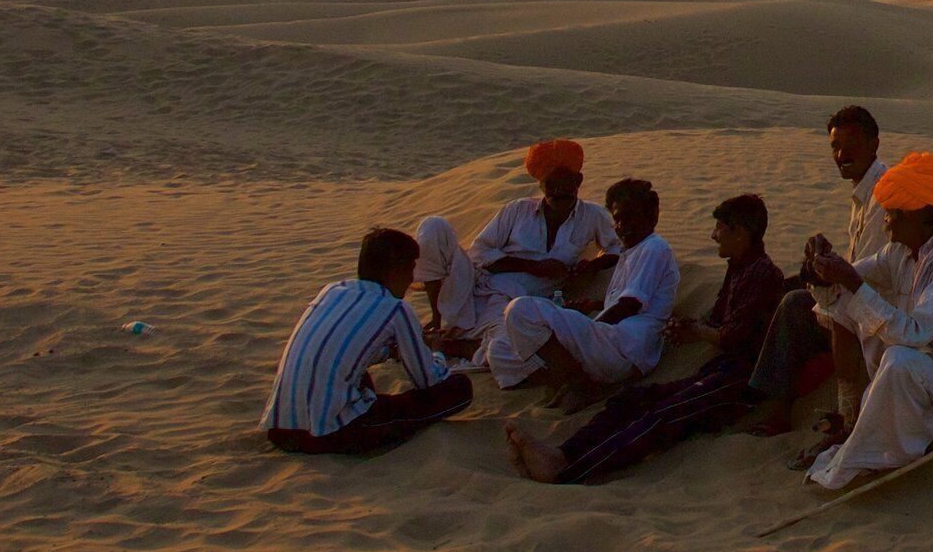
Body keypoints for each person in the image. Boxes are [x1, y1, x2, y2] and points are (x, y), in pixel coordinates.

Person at [510, 191, 804, 484]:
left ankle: (567, 470)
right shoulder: (740, 269)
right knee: (633, 400)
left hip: (739, 380)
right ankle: (564, 452)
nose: (714, 236)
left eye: (720, 229)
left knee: (662, 416)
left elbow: (733, 338)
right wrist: (689, 327)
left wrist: (697, 331)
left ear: (739, 233)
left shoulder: (762, 273)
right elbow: (718, 321)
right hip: (718, 370)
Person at [798, 151, 933, 490]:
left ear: (918, 216)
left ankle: (871, 457)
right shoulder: (899, 254)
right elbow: (843, 284)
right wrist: (820, 264)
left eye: (892, 214)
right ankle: (867, 445)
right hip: (931, 379)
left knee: (899, 356)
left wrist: (850, 281)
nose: (886, 222)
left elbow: (916, 332)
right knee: (864, 314)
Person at [735, 106, 881, 436]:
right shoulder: (864, 190)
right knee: (789, 289)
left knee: (794, 307)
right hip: (861, 294)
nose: (842, 154)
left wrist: (825, 272)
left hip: (876, 308)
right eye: (835, 146)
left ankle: (781, 408)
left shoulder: (880, 195)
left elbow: (869, 274)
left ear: (874, 143)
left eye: (851, 144)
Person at [261, 227, 472, 455]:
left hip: (280, 427)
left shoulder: (332, 290)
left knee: (357, 376)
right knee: (458, 389)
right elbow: (428, 381)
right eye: (411, 269)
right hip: (328, 434)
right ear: (397, 271)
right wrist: (436, 351)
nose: (412, 279)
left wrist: (393, 351)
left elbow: (346, 347)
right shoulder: (396, 308)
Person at [415, 138, 617, 355]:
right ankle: (438, 320)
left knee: (510, 347)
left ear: (578, 181)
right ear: (539, 184)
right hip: (474, 285)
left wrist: (593, 265)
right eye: (551, 184)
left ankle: (446, 344)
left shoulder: (593, 215)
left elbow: (617, 248)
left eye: (566, 183)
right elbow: (480, 252)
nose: (559, 191)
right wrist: (535, 267)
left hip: (515, 304)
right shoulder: (517, 210)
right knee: (433, 227)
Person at [483, 177, 673, 402]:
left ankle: (580, 384)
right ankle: (568, 379)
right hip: (613, 346)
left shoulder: (653, 247)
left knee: (521, 309)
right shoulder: (632, 251)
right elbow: (632, 302)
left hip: (624, 349)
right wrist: (590, 309)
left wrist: (584, 328)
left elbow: (629, 306)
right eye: (617, 219)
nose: (622, 226)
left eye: (630, 217)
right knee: (501, 350)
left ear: (653, 215)